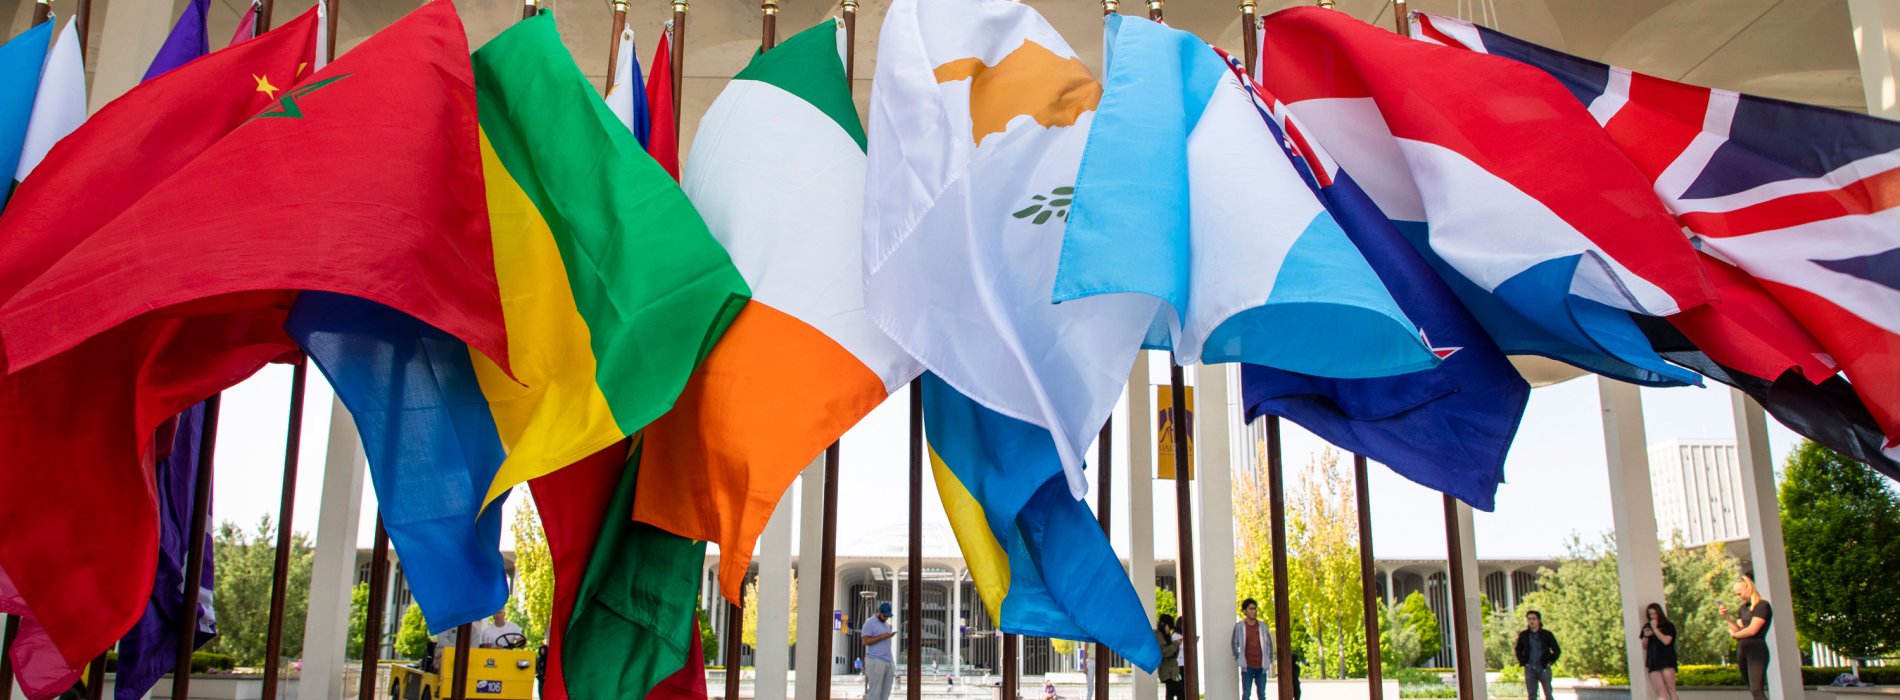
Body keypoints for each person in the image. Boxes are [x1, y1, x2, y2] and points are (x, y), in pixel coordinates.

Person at [1721, 572, 1773, 700]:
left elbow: (1752, 630)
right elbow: (1739, 628)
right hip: (1743, 650)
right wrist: (1727, 617)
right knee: (1752, 689)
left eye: (1739, 593)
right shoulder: (1743, 608)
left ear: (1748, 588)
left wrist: (1735, 635)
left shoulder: (1762, 606)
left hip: (1757, 650)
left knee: (1757, 690)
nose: (1739, 597)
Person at [1514, 610, 1561, 700]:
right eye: (1529, 619)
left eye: (1534, 619)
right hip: (1530, 669)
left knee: (1548, 694)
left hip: (1544, 668)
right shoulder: (1524, 635)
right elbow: (1518, 649)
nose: (1531, 621)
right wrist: (1523, 661)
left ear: (1539, 620)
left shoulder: (1546, 634)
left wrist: (1550, 661)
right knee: (1532, 695)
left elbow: (1557, 650)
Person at [1231, 598, 1271, 700]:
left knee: (1262, 694)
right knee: (1246, 694)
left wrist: (1268, 659)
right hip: (1247, 666)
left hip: (1261, 666)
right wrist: (1238, 658)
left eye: (1255, 609)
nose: (1254, 611)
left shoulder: (1262, 626)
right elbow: (1234, 643)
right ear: (1245, 611)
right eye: (1251, 609)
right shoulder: (1240, 626)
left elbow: (1269, 644)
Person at [1640, 602, 1680, 700]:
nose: (1653, 616)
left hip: (1666, 660)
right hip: (1653, 661)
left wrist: (1655, 629)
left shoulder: (1668, 626)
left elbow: (1666, 641)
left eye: (1655, 614)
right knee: (1659, 690)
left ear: (1659, 613)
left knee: (1671, 689)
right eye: (1650, 614)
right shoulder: (1647, 626)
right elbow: (1644, 646)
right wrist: (1646, 636)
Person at [861, 602, 898, 700]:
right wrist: (882, 637)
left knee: (886, 693)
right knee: (875, 693)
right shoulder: (869, 623)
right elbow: (865, 641)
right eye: (885, 615)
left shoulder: (886, 624)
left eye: (888, 616)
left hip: (888, 661)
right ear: (879, 612)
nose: (886, 618)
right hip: (876, 661)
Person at [1156, 614, 1183, 700]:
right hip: (1167, 672)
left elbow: (1172, 653)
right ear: (1163, 624)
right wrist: (1176, 644)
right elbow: (1165, 652)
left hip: (1172, 672)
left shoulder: (1166, 636)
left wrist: (1176, 645)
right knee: (1181, 693)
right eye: (1169, 627)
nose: (1169, 630)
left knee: (1170, 694)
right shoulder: (1159, 635)